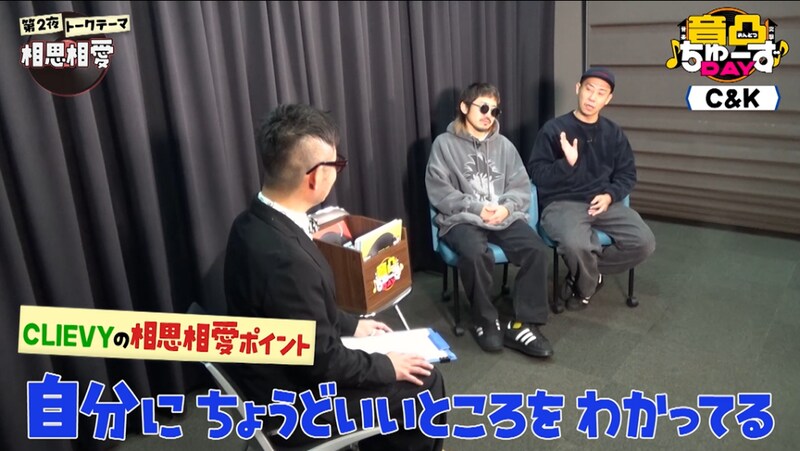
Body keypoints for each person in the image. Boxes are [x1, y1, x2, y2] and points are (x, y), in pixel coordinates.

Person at [224, 104, 445, 450]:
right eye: (336, 164)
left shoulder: (250, 221)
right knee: (426, 383)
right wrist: (386, 367)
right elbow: (322, 364)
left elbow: (298, 317)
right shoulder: (287, 261)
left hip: (273, 370)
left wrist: (351, 325)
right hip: (294, 403)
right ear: (315, 177)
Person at [426, 82, 553, 358]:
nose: (489, 115)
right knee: (474, 253)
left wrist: (507, 209)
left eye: (494, 110)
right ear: (464, 107)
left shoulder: (505, 146)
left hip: (502, 216)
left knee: (536, 250)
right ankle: (485, 320)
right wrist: (476, 208)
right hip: (462, 219)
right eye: (483, 108)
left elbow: (520, 186)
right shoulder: (443, 145)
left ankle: (524, 323)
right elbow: (440, 191)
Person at [527, 67, 656, 313]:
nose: (592, 97)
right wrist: (567, 164)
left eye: (600, 92)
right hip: (562, 203)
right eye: (589, 89)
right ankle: (585, 287)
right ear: (578, 89)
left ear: (608, 99)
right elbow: (537, 174)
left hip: (603, 203)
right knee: (576, 244)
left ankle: (587, 271)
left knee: (644, 242)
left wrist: (610, 196)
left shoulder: (613, 133)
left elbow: (627, 175)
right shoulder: (554, 129)